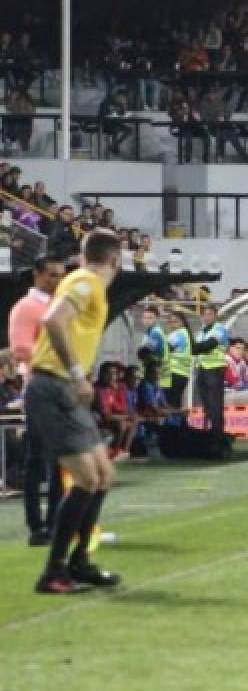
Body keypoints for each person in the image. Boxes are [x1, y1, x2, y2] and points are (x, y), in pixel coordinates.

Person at [25, 230, 123, 593]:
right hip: (54, 386)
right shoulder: (86, 282)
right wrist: (78, 374)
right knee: (86, 478)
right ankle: (53, 571)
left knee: (102, 475)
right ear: (116, 260)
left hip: (63, 388)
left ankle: (79, 562)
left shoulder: (86, 283)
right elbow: (53, 319)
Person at [8, 255, 66, 545]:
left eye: (60, 275)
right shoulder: (27, 308)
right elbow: (21, 349)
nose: (57, 281)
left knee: (58, 460)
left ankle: (55, 521)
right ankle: (37, 525)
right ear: (37, 274)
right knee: (37, 458)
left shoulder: (58, 306)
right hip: (41, 387)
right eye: (52, 275)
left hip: (62, 386)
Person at [192, 304, 230, 437]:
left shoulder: (220, 329)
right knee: (205, 402)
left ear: (215, 315)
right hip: (202, 368)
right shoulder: (201, 331)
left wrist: (197, 348)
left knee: (215, 403)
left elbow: (208, 345)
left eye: (210, 314)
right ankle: (209, 429)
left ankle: (217, 432)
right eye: (205, 314)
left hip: (215, 369)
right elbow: (196, 348)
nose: (207, 317)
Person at [164, 310, 192, 409]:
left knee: (169, 404)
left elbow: (164, 349)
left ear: (182, 322)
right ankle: (179, 423)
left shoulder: (177, 334)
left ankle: (172, 424)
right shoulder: (188, 335)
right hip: (183, 374)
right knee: (176, 403)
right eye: (170, 322)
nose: (172, 324)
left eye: (175, 321)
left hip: (173, 373)